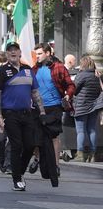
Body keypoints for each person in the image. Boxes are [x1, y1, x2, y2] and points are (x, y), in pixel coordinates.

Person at [0, 42, 46, 191]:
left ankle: (20, 172)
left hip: (27, 113)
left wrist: (41, 111)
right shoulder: (2, 71)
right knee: (17, 145)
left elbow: (35, 92)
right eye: (10, 51)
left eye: (15, 50)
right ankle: (16, 179)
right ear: (7, 54)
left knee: (29, 145)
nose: (13, 53)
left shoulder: (28, 70)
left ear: (20, 52)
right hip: (10, 114)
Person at [33, 43, 74, 180]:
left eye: (39, 54)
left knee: (53, 136)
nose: (37, 56)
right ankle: (38, 159)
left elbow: (70, 85)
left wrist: (68, 95)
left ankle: (56, 165)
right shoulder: (34, 69)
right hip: (38, 107)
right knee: (37, 136)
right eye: (36, 54)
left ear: (48, 53)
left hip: (54, 106)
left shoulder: (59, 67)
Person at [72, 55, 101, 162]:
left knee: (80, 131)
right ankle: (93, 154)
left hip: (81, 106)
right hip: (94, 106)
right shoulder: (97, 76)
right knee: (92, 130)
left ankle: (80, 154)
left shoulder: (81, 75)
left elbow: (74, 90)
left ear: (82, 64)